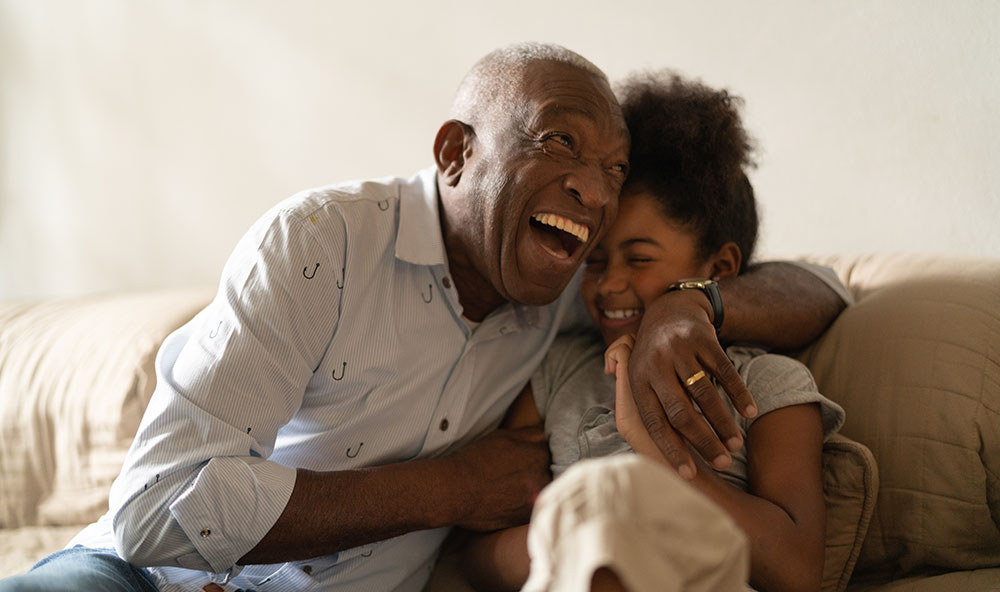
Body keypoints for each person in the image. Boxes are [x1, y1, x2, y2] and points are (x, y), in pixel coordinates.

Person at [0, 45, 846, 592]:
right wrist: (449, 487)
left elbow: (826, 289)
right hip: (136, 577)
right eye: (558, 145)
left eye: (612, 168)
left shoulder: (570, 310)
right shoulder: (319, 245)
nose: (593, 190)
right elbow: (158, 508)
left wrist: (682, 309)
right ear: (455, 152)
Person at [464, 71, 846, 592]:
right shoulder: (559, 371)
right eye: (594, 261)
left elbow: (797, 572)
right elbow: (478, 555)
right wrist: (586, 538)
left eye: (639, 258)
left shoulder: (769, 384)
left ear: (721, 268)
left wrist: (658, 448)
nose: (608, 284)